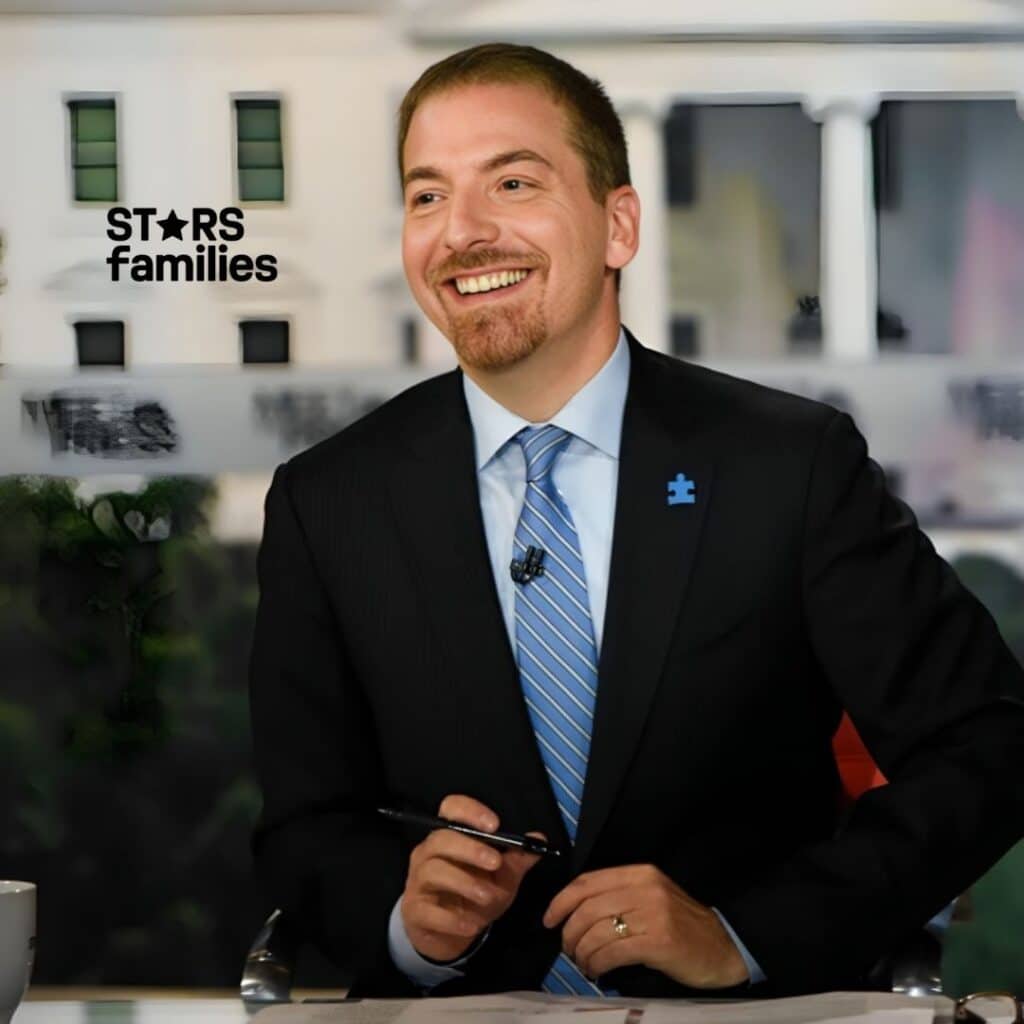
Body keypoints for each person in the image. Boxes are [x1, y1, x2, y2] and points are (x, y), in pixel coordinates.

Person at [248, 43, 1024, 1000]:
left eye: (514, 181)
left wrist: (745, 934)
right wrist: (408, 923)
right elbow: (303, 822)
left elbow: (989, 742)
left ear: (618, 225)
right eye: (426, 196)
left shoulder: (789, 465)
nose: (461, 232)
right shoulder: (328, 501)